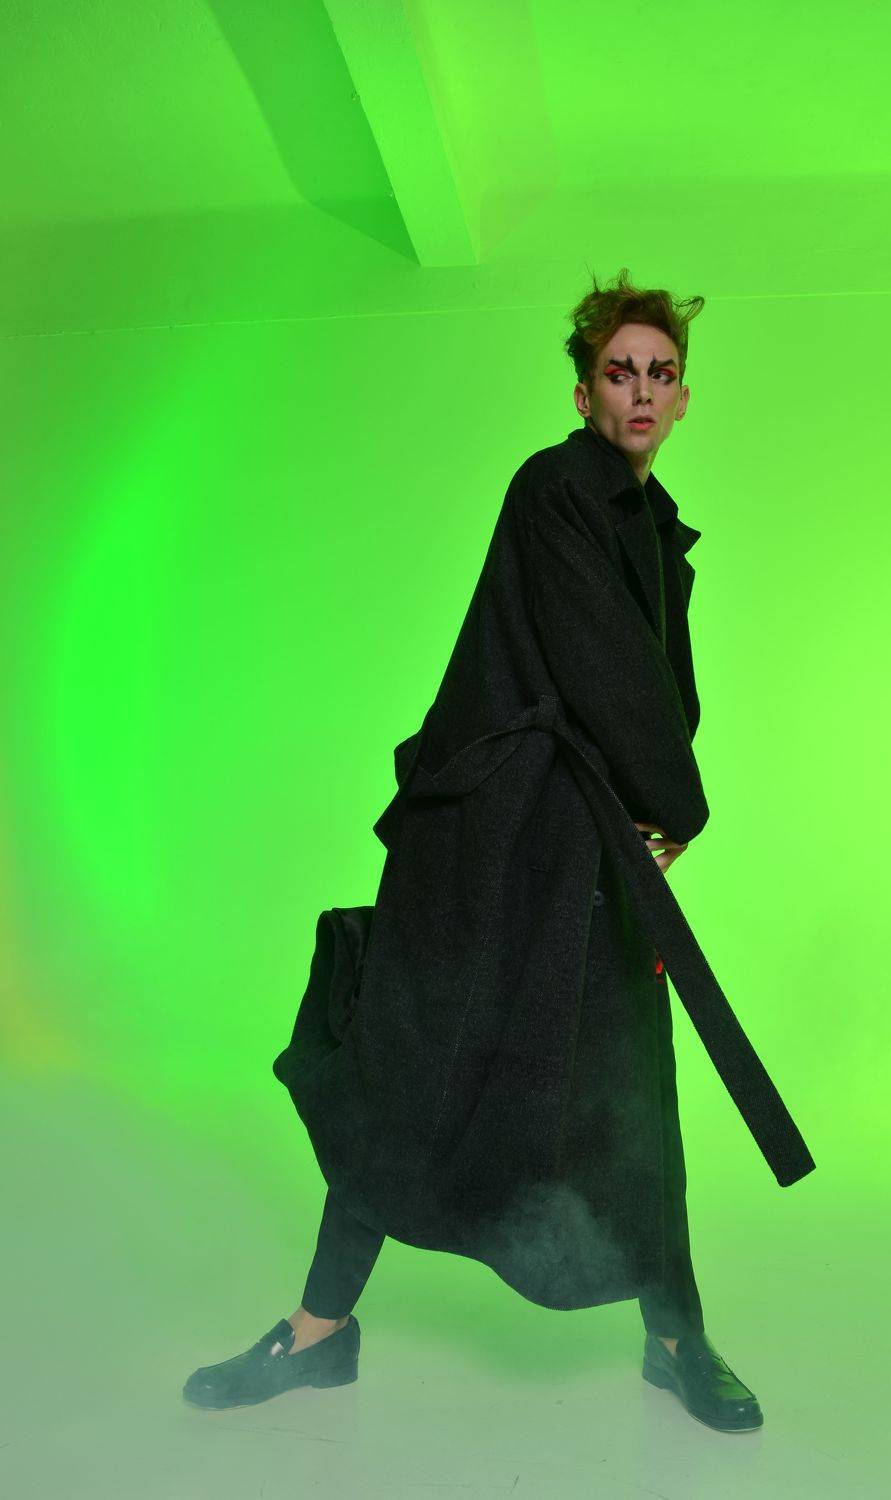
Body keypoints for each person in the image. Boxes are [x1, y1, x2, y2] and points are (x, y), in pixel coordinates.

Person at [183, 268, 814, 1431]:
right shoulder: (556, 490)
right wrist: (678, 811)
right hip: (489, 842)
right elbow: (610, 678)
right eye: (618, 373)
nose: (641, 391)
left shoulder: (649, 527)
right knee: (407, 1071)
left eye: (661, 374)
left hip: (579, 847)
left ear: (684, 397)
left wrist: (652, 818)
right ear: (584, 395)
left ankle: (676, 1337)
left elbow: (657, 696)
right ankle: (318, 1332)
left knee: (630, 1087)